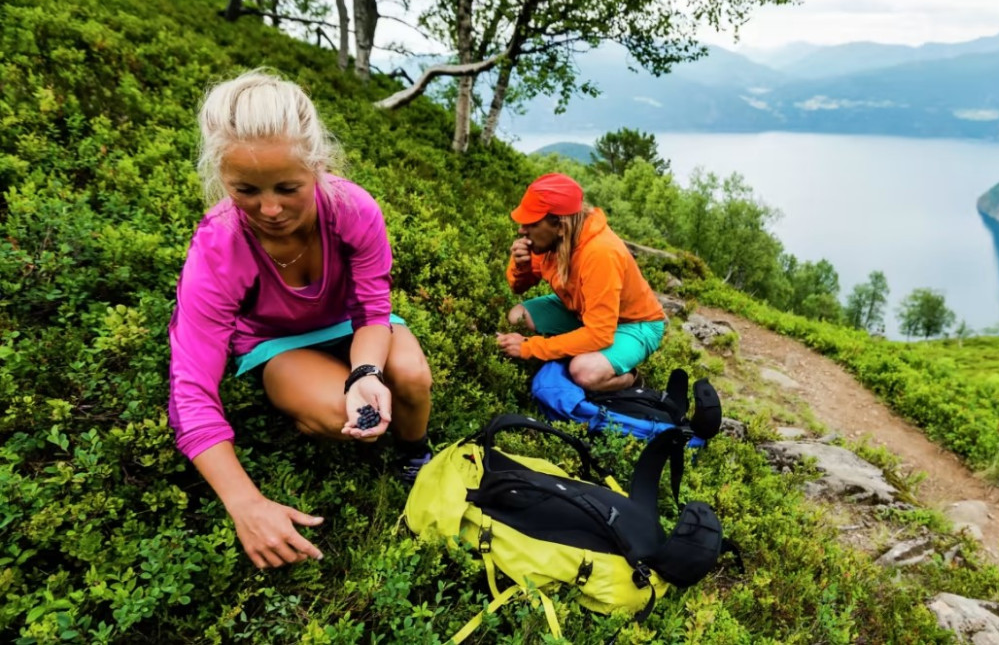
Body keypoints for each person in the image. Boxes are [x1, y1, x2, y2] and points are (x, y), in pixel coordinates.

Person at [168, 69, 433, 570]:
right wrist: (245, 503)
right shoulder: (217, 249)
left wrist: (366, 373)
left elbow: (373, 307)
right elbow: (189, 389)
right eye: (245, 190)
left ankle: (412, 454)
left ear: (319, 165)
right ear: (220, 178)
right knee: (341, 414)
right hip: (276, 343)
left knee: (412, 379)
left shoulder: (354, 210)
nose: (269, 209)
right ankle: (306, 411)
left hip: (353, 325)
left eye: (288, 187)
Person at [497, 173, 666, 392]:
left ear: (560, 226)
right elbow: (518, 287)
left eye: (531, 222)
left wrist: (531, 348)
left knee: (584, 371)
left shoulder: (600, 253)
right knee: (517, 316)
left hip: (633, 324)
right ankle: (580, 348)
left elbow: (600, 333)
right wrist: (521, 267)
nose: (522, 229)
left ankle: (631, 379)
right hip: (583, 312)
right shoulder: (550, 242)